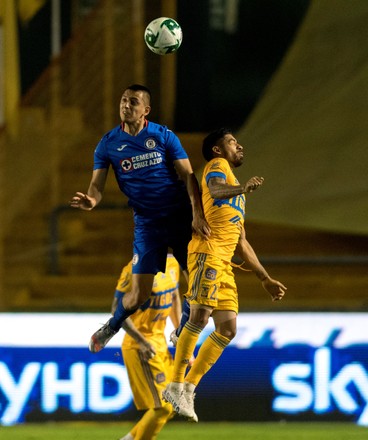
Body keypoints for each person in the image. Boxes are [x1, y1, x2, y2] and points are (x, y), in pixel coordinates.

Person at [70, 84, 210, 353]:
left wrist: (197, 214)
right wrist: (91, 201)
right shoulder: (108, 143)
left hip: (179, 216)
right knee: (138, 295)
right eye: (123, 100)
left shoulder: (163, 136)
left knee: (196, 281)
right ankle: (112, 325)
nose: (125, 105)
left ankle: (181, 331)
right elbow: (96, 187)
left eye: (133, 102)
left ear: (146, 110)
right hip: (147, 223)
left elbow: (188, 176)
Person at [162, 128, 287, 422]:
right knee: (200, 316)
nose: (239, 145)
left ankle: (188, 387)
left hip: (225, 263)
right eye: (232, 142)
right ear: (218, 150)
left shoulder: (239, 198)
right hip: (207, 252)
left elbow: (242, 243)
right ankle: (175, 382)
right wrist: (243, 188)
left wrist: (264, 278)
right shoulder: (218, 168)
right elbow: (216, 191)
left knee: (227, 329)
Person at [113, 254, 180, 440]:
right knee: (163, 407)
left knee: (171, 406)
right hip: (140, 345)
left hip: (160, 343)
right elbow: (116, 310)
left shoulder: (173, 263)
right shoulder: (134, 269)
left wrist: (179, 332)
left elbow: (174, 296)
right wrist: (142, 341)